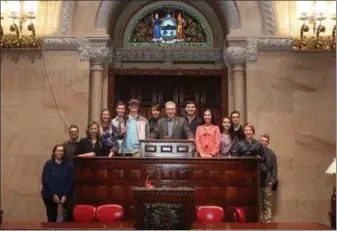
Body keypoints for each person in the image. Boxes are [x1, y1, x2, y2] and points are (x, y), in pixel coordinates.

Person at [41, 144, 73, 222]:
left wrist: (65, 195)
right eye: (58, 150)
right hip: (50, 195)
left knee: (66, 218)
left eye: (62, 151)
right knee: (52, 217)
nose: (60, 152)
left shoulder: (67, 166)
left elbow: (70, 181)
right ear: (54, 152)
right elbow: (45, 180)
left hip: (63, 196)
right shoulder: (48, 164)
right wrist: (54, 195)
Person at [259, 133, 278, 223]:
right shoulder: (256, 153)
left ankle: (267, 226)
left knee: (267, 205)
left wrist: (273, 181)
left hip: (267, 182)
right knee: (259, 205)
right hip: (258, 183)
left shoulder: (271, 154)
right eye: (262, 141)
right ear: (259, 141)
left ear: (268, 142)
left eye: (266, 141)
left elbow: (274, 168)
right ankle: (259, 225)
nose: (264, 142)